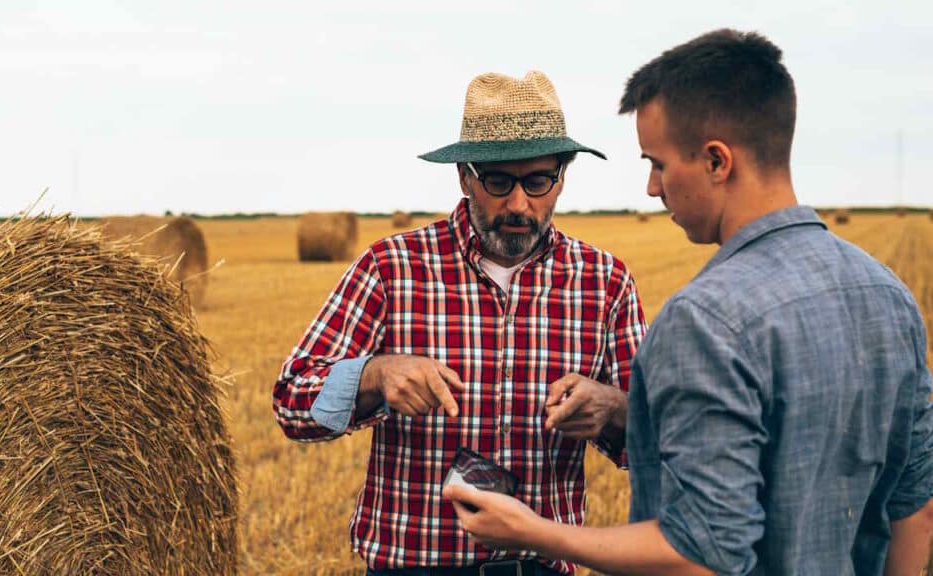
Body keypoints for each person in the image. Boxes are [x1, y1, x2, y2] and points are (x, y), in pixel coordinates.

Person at [444, 28, 933, 576]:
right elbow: (914, 508)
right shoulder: (890, 296)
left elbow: (702, 554)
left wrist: (530, 533)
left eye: (658, 164)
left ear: (717, 161)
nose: (653, 188)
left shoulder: (705, 320)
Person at [273, 70, 647, 576]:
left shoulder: (605, 282)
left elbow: (658, 439)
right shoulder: (392, 266)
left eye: (538, 181)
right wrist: (374, 375)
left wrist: (615, 408)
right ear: (464, 176)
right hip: (414, 566)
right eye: (498, 181)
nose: (519, 204)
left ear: (564, 174)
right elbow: (292, 401)